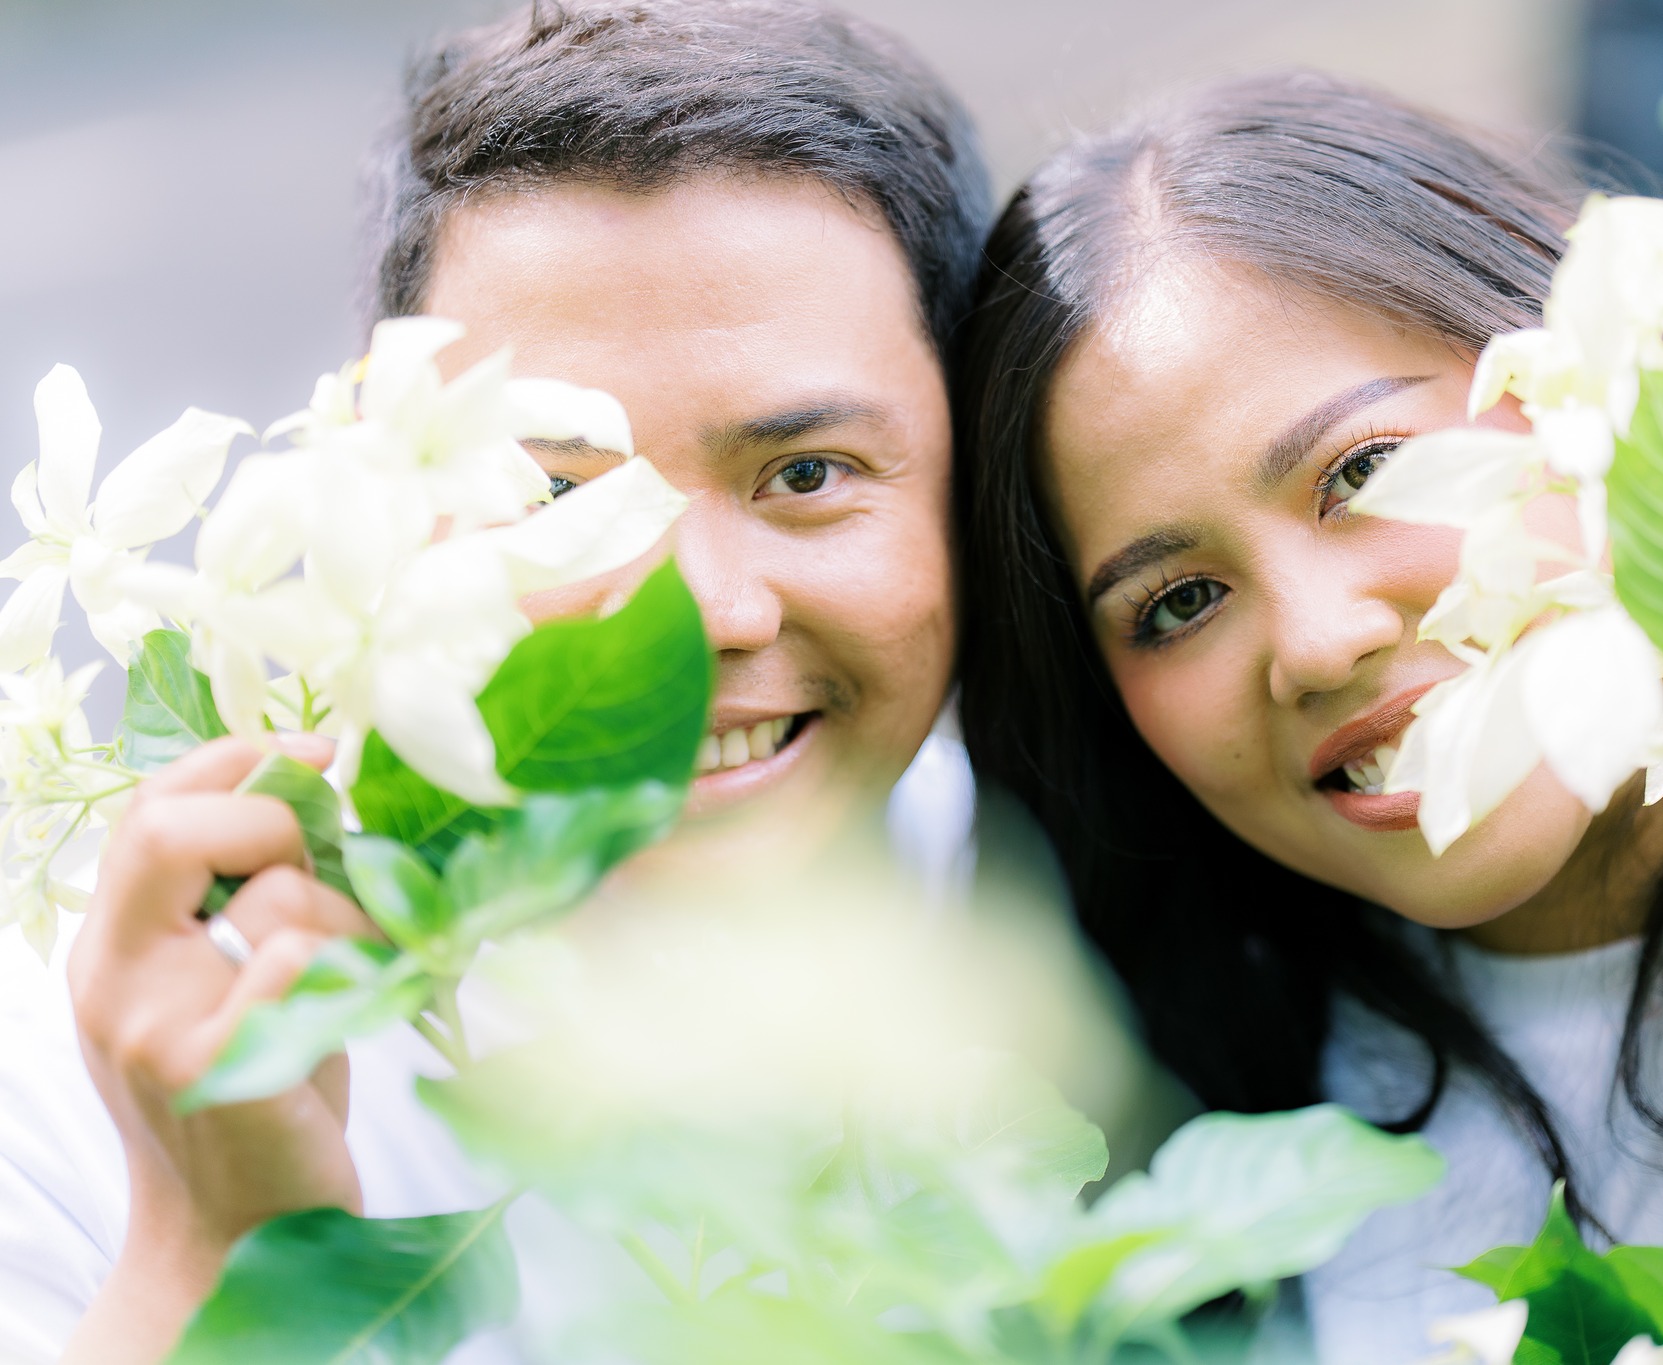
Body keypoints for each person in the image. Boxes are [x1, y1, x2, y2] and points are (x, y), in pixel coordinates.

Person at [952, 72, 1663, 1363]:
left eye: (1364, 471)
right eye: (1178, 601)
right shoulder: (1156, 1185)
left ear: (1588, 374)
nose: (1312, 643)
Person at [0, 2, 987, 1360]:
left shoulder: (1113, 875)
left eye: (805, 475)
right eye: (551, 487)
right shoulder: (84, 1078)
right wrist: (200, 1255)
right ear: (369, 482)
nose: (699, 612)